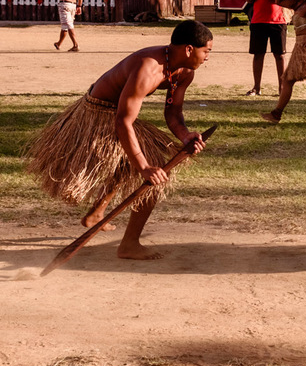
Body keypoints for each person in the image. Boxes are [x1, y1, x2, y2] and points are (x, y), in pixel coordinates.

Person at [25, 21, 213, 260]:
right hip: (98, 115)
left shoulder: (185, 72)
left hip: (118, 114)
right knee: (156, 171)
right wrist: (144, 167)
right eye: (206, 50)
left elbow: (173, 113)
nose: (208, 56)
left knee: (130, 164)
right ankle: (129, 244)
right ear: (188, 49)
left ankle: (97, 212)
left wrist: (185, 135)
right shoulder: (149, 68)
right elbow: (122, 122)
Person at [245, 0, 288, 97]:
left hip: (278, 21)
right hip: (258, 21)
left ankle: (282, 88)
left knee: (280, 55)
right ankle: (256, 88)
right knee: (258, 54)